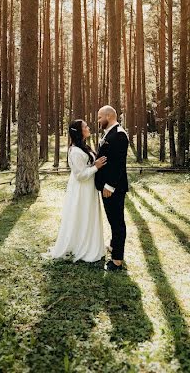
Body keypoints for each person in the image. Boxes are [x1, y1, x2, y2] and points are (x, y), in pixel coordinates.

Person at [46, 119, 108, 262]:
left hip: (89, 187)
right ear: (80, 131)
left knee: (89, 214)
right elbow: (80, 175)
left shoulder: (84, 147)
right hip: (82, 189)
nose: (88, 127)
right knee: (82, 214)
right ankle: (81, 245)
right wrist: (96, 167)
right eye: (85, 126)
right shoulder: (74, 151)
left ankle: (91, 243)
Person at [95, 105, 129, 272]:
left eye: (100, 117)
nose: (98, 120)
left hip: (113, 187)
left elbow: (119, 164)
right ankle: (114, 247)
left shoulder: (120, 135)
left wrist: (110, 185)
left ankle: (117, 260)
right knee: (113, 220)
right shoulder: (109, 133)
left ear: (109, 116)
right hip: (107, 186)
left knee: (117, 223)